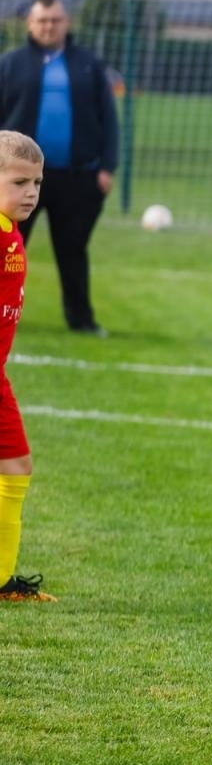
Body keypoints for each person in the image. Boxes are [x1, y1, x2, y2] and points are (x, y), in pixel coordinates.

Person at [0, 0, 118, 337]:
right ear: (30, 24)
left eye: (55, 20)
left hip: (78, 176)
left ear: (66, 23)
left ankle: (80, 319)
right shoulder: (10, 64)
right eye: (42, 20)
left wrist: (107, 166)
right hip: (18, 179)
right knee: (6, 249)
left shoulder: (88, 65)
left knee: (73, 250)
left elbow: (108, 118)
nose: (48, 26)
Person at [0, 132, 52, 602]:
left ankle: (1, 580)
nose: (31, 191)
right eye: (19, 181)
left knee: (15, 466)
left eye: (36, 181)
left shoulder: (10, 232)